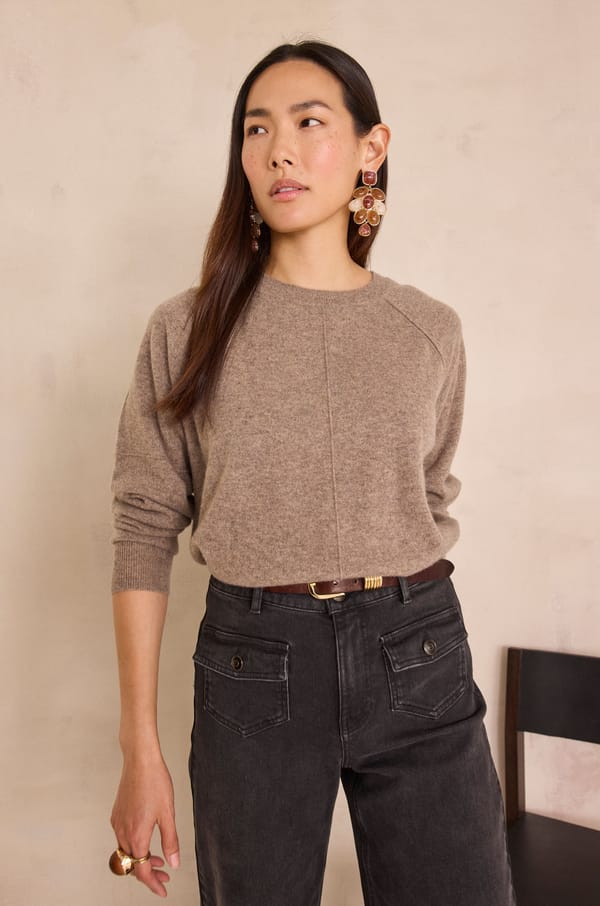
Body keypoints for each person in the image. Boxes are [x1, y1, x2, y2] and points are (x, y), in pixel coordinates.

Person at [108, 39, 515, 905]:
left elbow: (426, 494)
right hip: (255, 665)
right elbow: (143, 525)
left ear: (372, 148)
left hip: (418, 652)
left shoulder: (429, 329)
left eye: (308, 122)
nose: (278, 151)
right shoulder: (187, 329)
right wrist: (139, 749)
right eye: (257, 130)